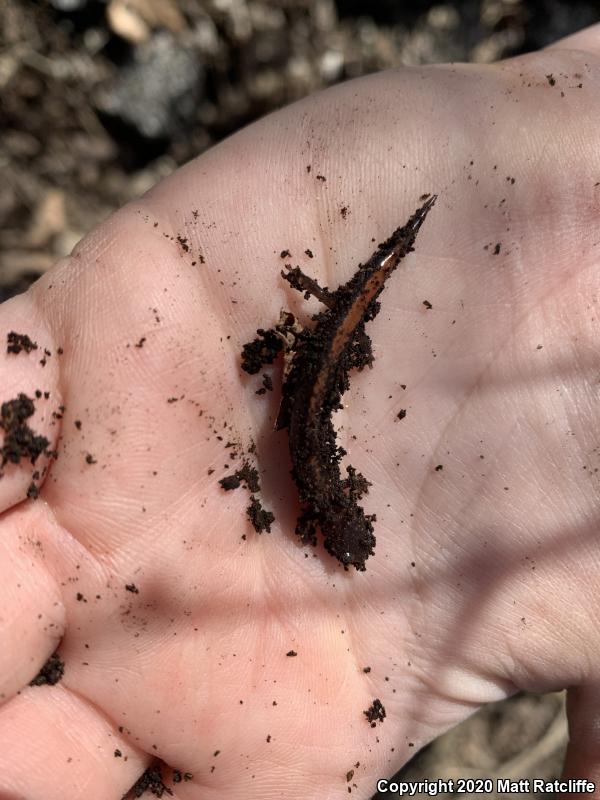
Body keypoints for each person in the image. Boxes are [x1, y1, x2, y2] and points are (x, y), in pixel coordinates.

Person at [1, 21, 600, 799]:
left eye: (348, 548)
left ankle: (380, 263)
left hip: (320, 363)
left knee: (340, 335)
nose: (346, 552)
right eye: (348, 545)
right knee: (337, 337)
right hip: (318, 360)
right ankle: (377, 264)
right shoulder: (322, 502)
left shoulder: (325, 501)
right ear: (335, 517)